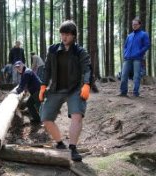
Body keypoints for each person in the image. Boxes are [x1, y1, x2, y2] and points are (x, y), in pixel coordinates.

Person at [39, 20, 92, 162]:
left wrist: (87, 84)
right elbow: (47, 69)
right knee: (45, 118)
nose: (64, 37)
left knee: (77, 115)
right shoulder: (53, 49)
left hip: (75, 89)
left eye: (67, 34)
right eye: (62, 34)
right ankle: (60, 144)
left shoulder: (80, 52)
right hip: (56, 88)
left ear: (74, 36)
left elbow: (87, 68)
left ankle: (73, 148)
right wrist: (43, 85)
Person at [119, 17, 150, 97]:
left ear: (139, 25)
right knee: (123, 75)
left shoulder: (144, 34)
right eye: (133, 24)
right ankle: (123, 92)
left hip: (137, 59)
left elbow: (147, 45)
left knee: (136, 76)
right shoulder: (129, 35)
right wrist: (125, 53)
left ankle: (136, 93)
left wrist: (139, 53)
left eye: (136, 24)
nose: (134, 26)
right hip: (127, 58)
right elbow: (125, 46)